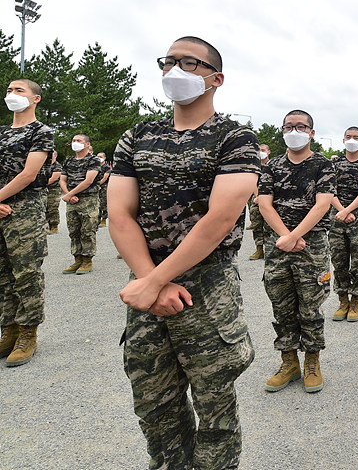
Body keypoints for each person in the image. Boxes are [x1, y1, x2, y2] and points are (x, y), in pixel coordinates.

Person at [111, 36, 259, 469]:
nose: (174, 70)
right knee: (155, 407)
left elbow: (219, 219)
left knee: (215, 409)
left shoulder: (235, 138)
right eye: (168, 61)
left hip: (206, 291)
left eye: (189, 63)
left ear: (216, 79)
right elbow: (120, 214)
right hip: (147, 288)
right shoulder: (139, 134)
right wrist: (149, 281)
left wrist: (154, 282)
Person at [257, 109, 334, 394]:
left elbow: (322, 204)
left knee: (310, 305)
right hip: (279, 246)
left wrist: (296, 236)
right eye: (289, 126)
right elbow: (264, 204)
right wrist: (285, 237)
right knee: (281, 305)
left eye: (301, 127)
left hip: (310, 245)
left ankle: (312, 361)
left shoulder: (323, 166)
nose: (294, 131)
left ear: (312, 133)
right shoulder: (271, 166)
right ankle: (288, 362)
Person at [0, 78, 53, 367]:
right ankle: (7, 330)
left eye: (19, 90)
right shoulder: (1, 133)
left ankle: (28, 332)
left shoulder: (41, 132)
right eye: (9, 90)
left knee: (26, 273)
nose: (11, 94)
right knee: (2, 274)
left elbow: (28, 174)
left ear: (35, 99)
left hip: (25, 208)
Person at [329, 127, 358, 322]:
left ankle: (355, 301)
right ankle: (342, 301)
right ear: (343, 140)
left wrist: (348, 211)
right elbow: (328, 189)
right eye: (348, 137)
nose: (352, 140)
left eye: (356, 137)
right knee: (338, 261)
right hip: (336, 217)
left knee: (357, 262)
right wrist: (341, 210)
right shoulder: (333, 164)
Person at [60, 134, 102, 275]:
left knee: (87, 231)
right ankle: (77, 259)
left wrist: (70, 194)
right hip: (72, 201)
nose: (75, 143)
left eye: (79, 141)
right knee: (74, 231)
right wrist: (68, 195)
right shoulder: (69, 161)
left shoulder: (93, 160)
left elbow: (89, 180)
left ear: (87, 144)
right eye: (73, 140)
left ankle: (87, 260)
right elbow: (63, 180)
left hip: (88, 199)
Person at [247, 143, 271, 260]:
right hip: (256, 200)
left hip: (270, 200)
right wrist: (258, 196)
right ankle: (259, 249)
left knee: (269, 226)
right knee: (257, 225)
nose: (260, 152)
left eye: (262, 150)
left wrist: (264, 198)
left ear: (268, 152)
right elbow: (251, 181)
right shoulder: (254, 166)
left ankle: (269, 250)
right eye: (259, 150)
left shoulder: (273, 166)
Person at [46, 150, 63, 234]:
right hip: (44, 190)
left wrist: (42, 183)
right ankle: (46, 226)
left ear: (55, 155)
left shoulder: (57, 166)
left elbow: (54, 178)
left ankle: (54, 225)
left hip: (53, 190)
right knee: (44, 208)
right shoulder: (45, 165)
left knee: (52, 208)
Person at [95, 152, 111, 227]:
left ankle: (104, 219)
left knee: (103, 203)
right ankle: (98, 218)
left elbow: (105, 178)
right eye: (97, 156)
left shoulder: (107, 167)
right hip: (96, 187)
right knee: (97, 203)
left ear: (104, 158)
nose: (99, 158)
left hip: (104, 186)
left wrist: (99, 184)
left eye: (100, 156)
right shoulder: (95, 166)